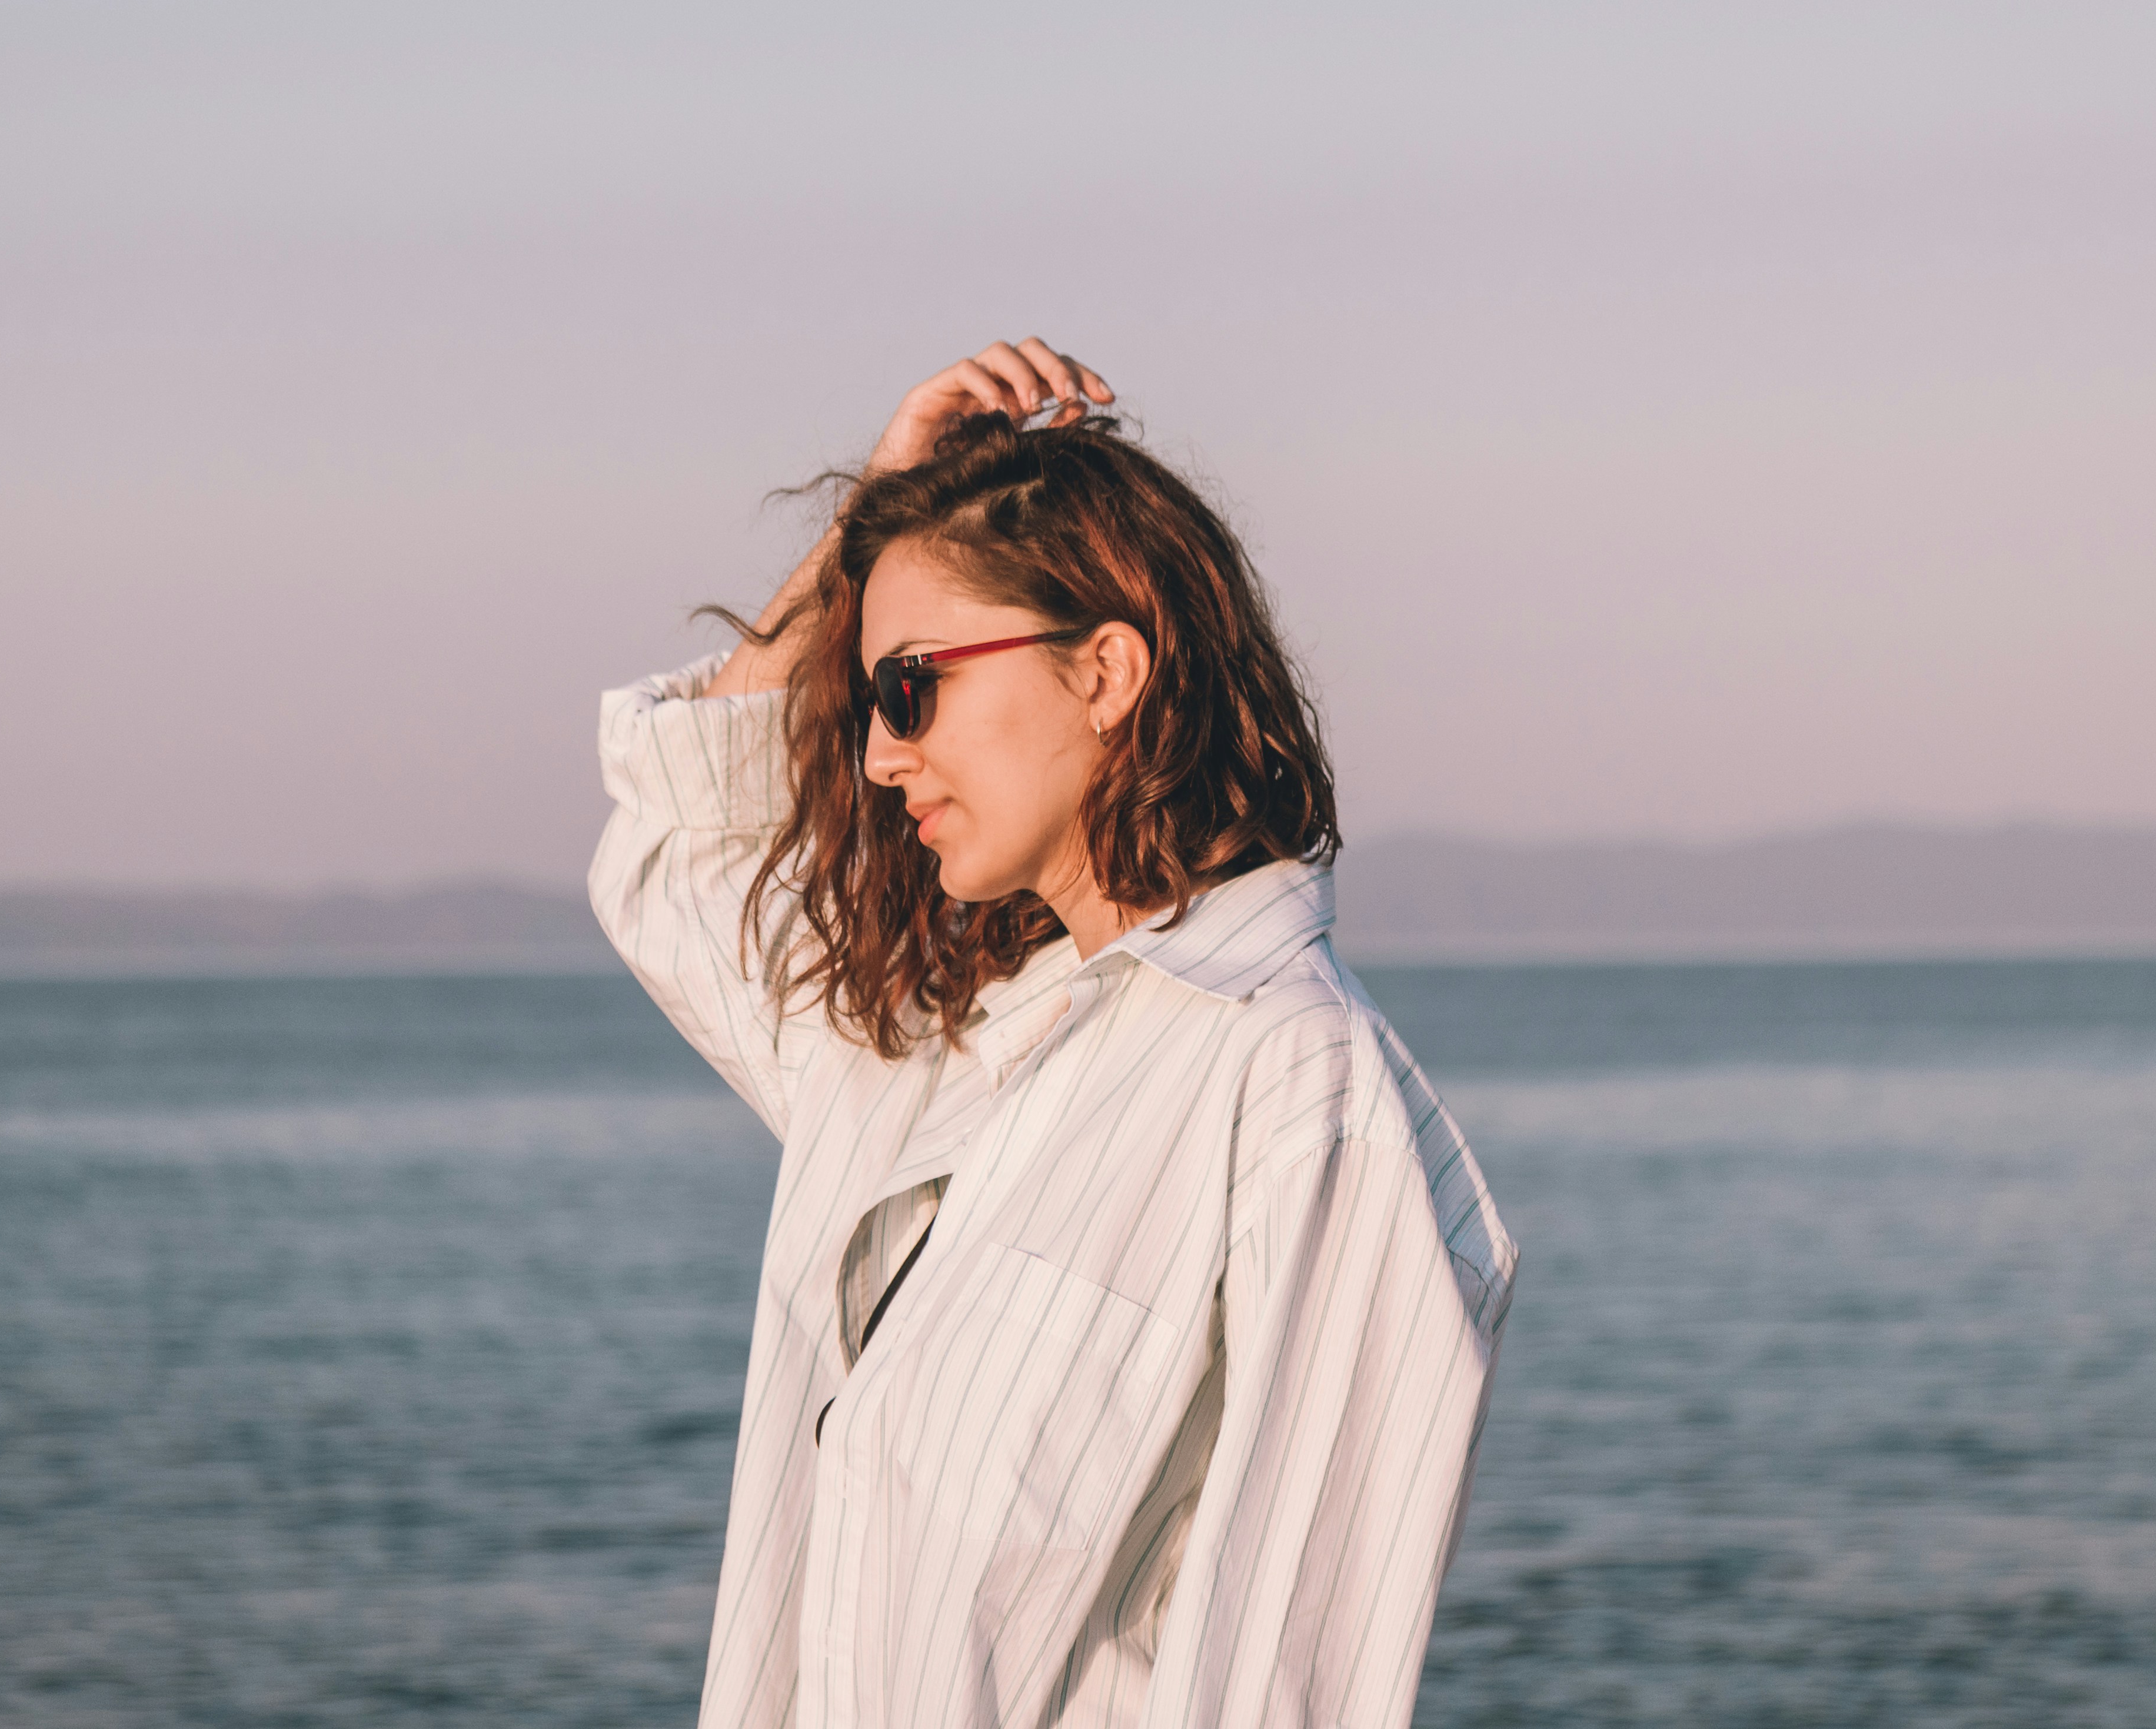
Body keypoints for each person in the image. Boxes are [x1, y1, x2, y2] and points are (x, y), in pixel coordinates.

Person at [590, 339, 1516, 1729]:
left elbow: (1292, 1677)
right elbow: (672, 854)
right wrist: (868, 529)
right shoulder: (924, 1050)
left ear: (1105, 672)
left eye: (911, 688)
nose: (880, 753)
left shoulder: (1294, 1086)